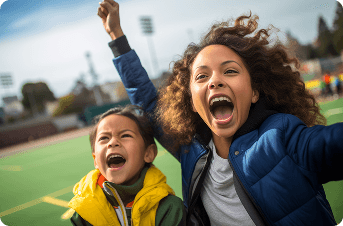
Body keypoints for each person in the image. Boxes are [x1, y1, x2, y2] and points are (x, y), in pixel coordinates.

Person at [98, 1, 343, 225]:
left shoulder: (282, 136)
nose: (214, 81)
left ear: (255, 92)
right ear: (192, 103)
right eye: (202, 76)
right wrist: (117, 37)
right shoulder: (190, 150)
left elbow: (330, 146)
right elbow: (149, 103)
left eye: (230, 71)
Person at [68, 105, 185, 226]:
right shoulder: (84, 211)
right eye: (104, 138)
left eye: (125, 135)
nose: (112, 142)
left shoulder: (168, 208)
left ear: (149, 153)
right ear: (95, 160)